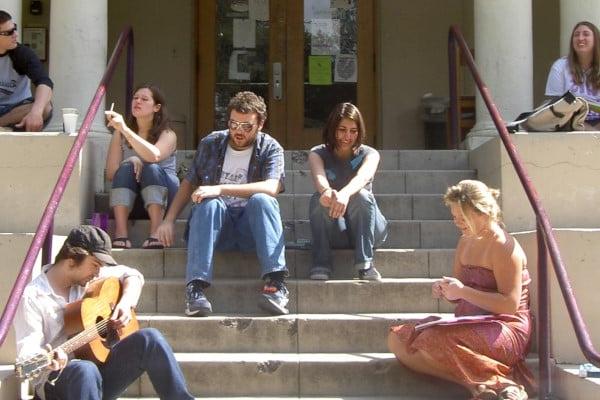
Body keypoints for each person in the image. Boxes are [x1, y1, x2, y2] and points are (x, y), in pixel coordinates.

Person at [387, 180, 535, 400]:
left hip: (505, 328)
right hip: (468, 323)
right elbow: (459, 291)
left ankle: (498, 384)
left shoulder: (503, 246)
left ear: (481, 212)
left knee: (431, 340)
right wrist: (446, 289)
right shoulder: (465, 241)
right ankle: (485, 386)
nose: (455, 222)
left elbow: (509, 305)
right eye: (454, 216)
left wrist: (463, 292)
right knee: (397, 338)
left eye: (460, 216)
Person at [14, 225, 194, 400]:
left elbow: (133, 275)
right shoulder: (32, 297)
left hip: (99, 372)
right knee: (84, 370)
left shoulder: (88, 278)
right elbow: (28, 351)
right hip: (58, 383)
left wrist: (125, 303)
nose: (98, 272)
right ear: (71, 260)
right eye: (95, 265)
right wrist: (50, 362)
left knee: (151, 339)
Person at [155, 91, 288, 317]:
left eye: (247, 126)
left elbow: (272, 187)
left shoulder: (271, 148)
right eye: (234, 123)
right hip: (218, 228)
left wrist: (220, 188)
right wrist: (168, 220)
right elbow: (189, 183)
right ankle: (195, 290)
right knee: (210, 204)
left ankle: (276, 285)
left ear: (261, 124)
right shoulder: (212, 142)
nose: (238, 131)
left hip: (250, 230)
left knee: (262, 200)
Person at [307, 102, 387, 281]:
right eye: (342, 129)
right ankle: (321, 263)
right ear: (332, 128)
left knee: (361, 195)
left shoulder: (370, 154)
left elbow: (363, 177)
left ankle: (365, 264)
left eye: (353, 131)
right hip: (338, 230)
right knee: (318, 199)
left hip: (369, 227)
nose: (347, 136)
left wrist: (344, 193)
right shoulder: (317, 153)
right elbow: (319, 178)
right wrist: (327, 192)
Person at [105, 84, 178, 249]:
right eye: (135, 98)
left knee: (152, 168)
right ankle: (121, 234)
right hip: (133, 201)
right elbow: (110, 174)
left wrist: (124, 129)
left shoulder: (168, 134)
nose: (137, 102)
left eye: (144, 99)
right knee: (125, 168)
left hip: (164, 200)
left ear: (156, 107)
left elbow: (155, 156)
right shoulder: (120, 133)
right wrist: (130, 161)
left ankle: (156, 233)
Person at [0, 10, 53, 132]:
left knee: (45, 108)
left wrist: (36, 112)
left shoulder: (22, 53)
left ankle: (3, 126)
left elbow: (44, 82)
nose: (16, 34)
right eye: (9, 32)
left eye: (15, 28)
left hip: (16, 110)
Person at [545, 21, 600, 130]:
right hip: (571, 124)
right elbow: (554, 107)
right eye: (576, 35)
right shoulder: (560, 66)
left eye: (586, 34)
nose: (580, 38)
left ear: (596, 40)